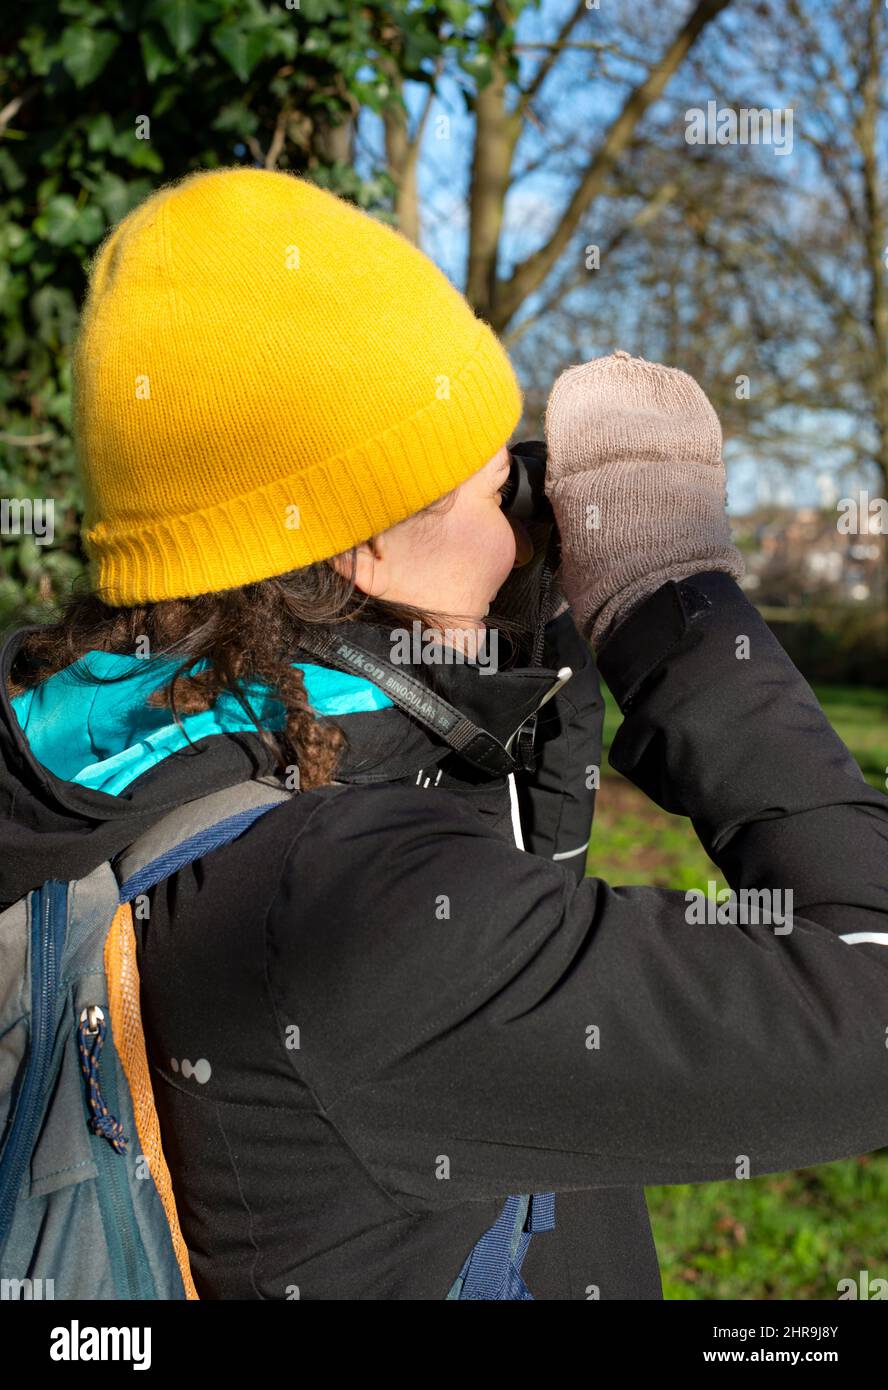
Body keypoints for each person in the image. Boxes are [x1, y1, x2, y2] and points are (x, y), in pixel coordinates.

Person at [2, 167, 887, 1301]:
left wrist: (520, 639)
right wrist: (679, 608)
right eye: (486, 491)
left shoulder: (134, 749)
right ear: (357, 546)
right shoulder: (358, 921)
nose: (523, 528)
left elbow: (498, 877)